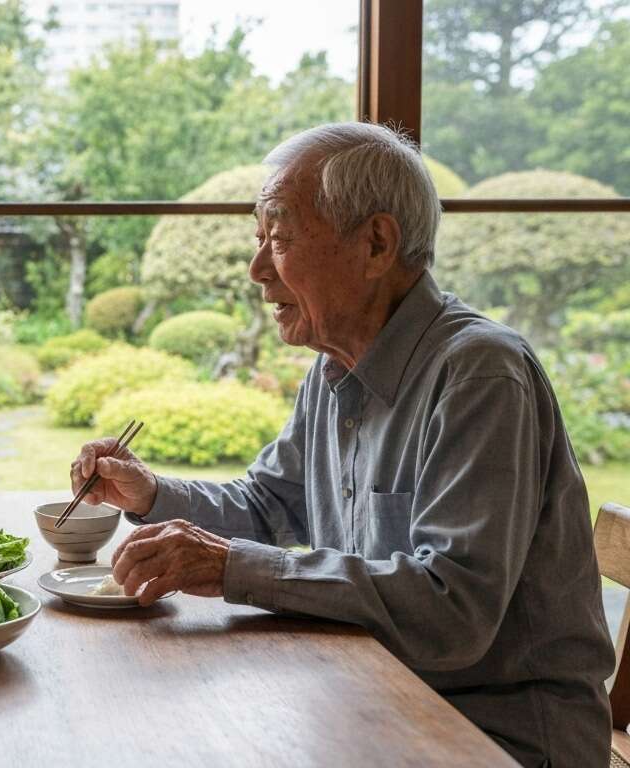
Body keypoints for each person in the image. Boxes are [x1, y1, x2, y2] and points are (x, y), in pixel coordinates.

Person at [71, 121, 614, 767]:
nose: (256, 270)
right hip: (369, 692)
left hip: (493, 735)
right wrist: (153, 493)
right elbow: (269, 506)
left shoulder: (480, 374)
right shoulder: (335, 371)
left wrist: (231, 567)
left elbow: (453, 608)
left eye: (279, 239)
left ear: (376, 243)